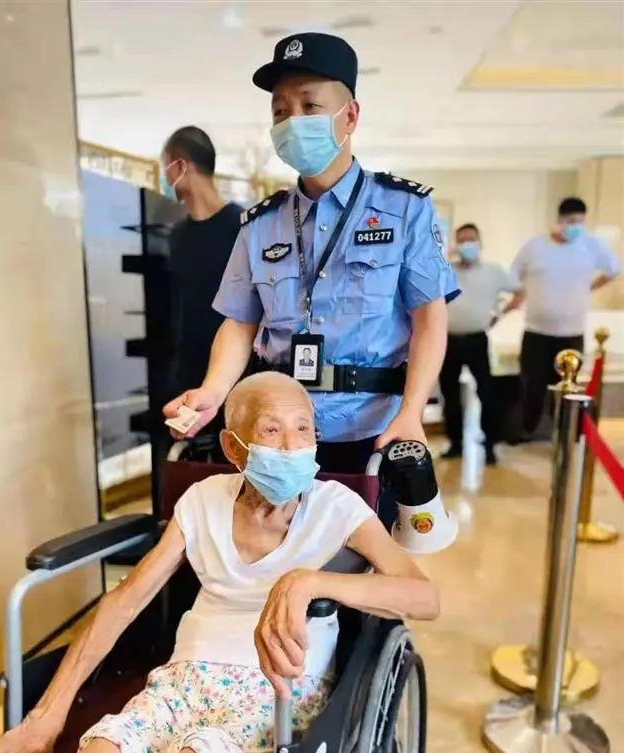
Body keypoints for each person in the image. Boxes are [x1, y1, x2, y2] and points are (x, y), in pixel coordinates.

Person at [0, 372, 438, 753]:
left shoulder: (336, 507)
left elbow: (423, 597)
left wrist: (309, 581)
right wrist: (45, 719)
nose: (292, 446)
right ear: (233, 446)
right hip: (176, 690)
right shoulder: (202, 501)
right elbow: (124, 601)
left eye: (304, 429)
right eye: (271, 430)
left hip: (268, 701)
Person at [164, 32, 459, 474]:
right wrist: (213, 390)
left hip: (372, 432)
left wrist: (412, 411)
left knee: (364, 523)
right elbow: (240, 322)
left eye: (309, 106)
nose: (292, 122)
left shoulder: (403, 209)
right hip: (278, 434)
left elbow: (429, 318)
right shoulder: (261, 224)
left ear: (350, 116)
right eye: (280, 111)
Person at [161, 126, 243, 460]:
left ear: (181, 166)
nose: (166, 177)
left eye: (167, 167)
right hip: (188, 378)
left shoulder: (242, 227)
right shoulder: (177, 236)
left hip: (236, 377)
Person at [509, 196, 620, 438]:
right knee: (532, 386)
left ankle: (563, 435)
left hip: (571, 332)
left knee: (568, 390)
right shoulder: (536, 246)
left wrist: (590, 287)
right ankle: (528, 432)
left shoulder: (591, 245)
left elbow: (613, 269)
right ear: (559, 220)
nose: (575, 226)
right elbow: (514, 274)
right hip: (537, 331)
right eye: (571, 221)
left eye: (580, 221)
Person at [439, 223, 521, 465]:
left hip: (477, 340)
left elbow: (519, 291)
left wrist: (499, 314)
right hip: (448, 340)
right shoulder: (445, 270)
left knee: (487, 392)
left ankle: (490, 444)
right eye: (462, 240)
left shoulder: (493, 272)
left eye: (471, 239)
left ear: (480, 243)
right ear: (456, 244)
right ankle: (455, 443)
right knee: (450, 394)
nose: (467, 245)